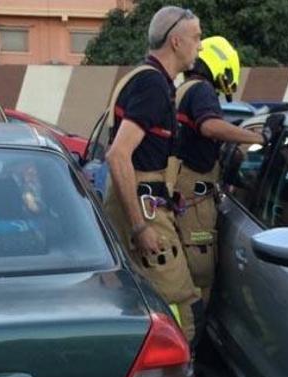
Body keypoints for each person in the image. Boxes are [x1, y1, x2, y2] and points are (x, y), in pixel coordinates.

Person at [103, 6, 204, 343]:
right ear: (176, 42)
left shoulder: (145, 79)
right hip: (145, 209)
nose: (200, 46)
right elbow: (118, 154)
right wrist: (140, 227)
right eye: (196, 38)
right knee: (181, 303)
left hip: (146, 202)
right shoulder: (153, 85)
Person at [173, 36, 266, 304]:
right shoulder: (202, 90)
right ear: (220, 65)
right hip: (194, 199)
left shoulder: (184, 89)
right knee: (199, 277)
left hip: (182, 192)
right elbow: (209, 126)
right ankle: (193, 336)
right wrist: (258, 139)